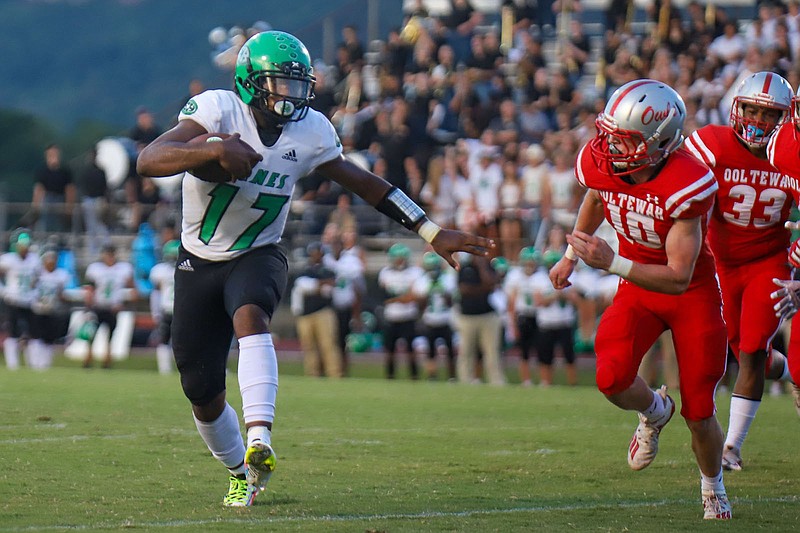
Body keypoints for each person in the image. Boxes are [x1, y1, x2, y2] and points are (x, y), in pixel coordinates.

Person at [135, 30, 493, 507]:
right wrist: (212, 149)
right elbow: (148, 159)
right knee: (199, 388)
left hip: (259, 251)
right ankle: (241, 470)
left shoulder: (311, 130)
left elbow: (366, 184)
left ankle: (260, 435)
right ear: (250, 82)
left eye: (297, 84)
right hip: (197, 260)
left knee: (251, 315)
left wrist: (429, 230)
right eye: (280, 84)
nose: (291, 95)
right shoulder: (218, 109)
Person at [549, 79, 731, 520]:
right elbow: (597, 195)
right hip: (637, 287)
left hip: (690, 294)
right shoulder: (602, 160)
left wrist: (610, 262)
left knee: (701, 408)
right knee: (610, 376)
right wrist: (572, 254)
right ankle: (653, 411)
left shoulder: (688, 182)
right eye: (609, 134)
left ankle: (713, 487)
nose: (609, 146)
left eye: (623, 140)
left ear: (660, 142)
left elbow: (677, 277)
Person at [684, 71, 795, 472]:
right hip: (720, 263)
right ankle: (791, 369)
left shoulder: (790, 153)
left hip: (770, 260)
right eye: (752, 110)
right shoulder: (711, 144)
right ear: (737, 108)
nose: (759, 121)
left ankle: (731, 445)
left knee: (750, 352)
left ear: (785, 118)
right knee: (748, 354)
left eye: (770, 115)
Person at [290, 241, 343, 378]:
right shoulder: (305, 270)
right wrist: (319, 285)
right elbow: (302, 286)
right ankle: (312, 374)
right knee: (308, 346)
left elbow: (328, 290)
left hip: (323, 311)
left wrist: (316, 286)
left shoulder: (328, 270)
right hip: (305, 313)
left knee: (328, 344)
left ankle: (334, 374)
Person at [82, 244, 137, 369]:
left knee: (111, 335)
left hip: (113, 307)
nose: (109, 257)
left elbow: (132, 288)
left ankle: (107, 360)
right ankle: (88, 358)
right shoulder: (95, 268)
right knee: (91, 334)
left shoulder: (123, 268)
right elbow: (89, 288)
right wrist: (88, 304)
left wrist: (125, 303)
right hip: (98, 306)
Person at [378, 243, 424, 379]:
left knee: (411, 348)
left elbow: (414, 296)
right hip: (391, 316)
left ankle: (414, 375)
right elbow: (384, 297)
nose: (400, 260)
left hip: (408, 315)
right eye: (397, 257)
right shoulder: (385, 273)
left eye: (402, 257)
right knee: (390, 349)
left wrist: (398, 298)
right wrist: (402, 298)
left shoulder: (415, 272)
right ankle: (390, 375)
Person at [0, 229, 41, 370]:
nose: (24, 248)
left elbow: (37, 279)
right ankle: (13, 365)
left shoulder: (34, 260)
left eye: (26, 245)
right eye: (22, 245)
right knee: (12, 333)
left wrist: (35, 292)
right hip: (12, 301)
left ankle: (34, 365)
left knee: (32, 334)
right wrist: (3, 291)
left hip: (29, 302)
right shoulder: (8, 259)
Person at [29, 247, 71, 370]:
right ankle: (34, 364)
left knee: (49, 339)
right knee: (36, 337)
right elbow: (30, 289)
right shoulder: (38, 274)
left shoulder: (61, 275)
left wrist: (62, 298)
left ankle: (45, 364)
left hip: (52, 310)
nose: (51, 263)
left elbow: (62, 293)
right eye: (48, 260)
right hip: (38, 309)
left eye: (53, 260)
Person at [149, 240, 179, 374]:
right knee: (167, 339)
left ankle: (165, 369)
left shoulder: (160, 271)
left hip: (168, 308)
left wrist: (155, 311)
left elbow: (155, 293)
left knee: (164, 340)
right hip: (178, 310)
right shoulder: (189, 270)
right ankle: (168, 369)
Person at [32, 144, 76, 233]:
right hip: (47, 199)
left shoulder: (65, 170)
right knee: (44, 225)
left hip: (60, 198)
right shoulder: (42, 170)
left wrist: (69, 207)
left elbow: (70, 189)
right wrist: (35, 206)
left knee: (60, 226)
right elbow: (39, 189)